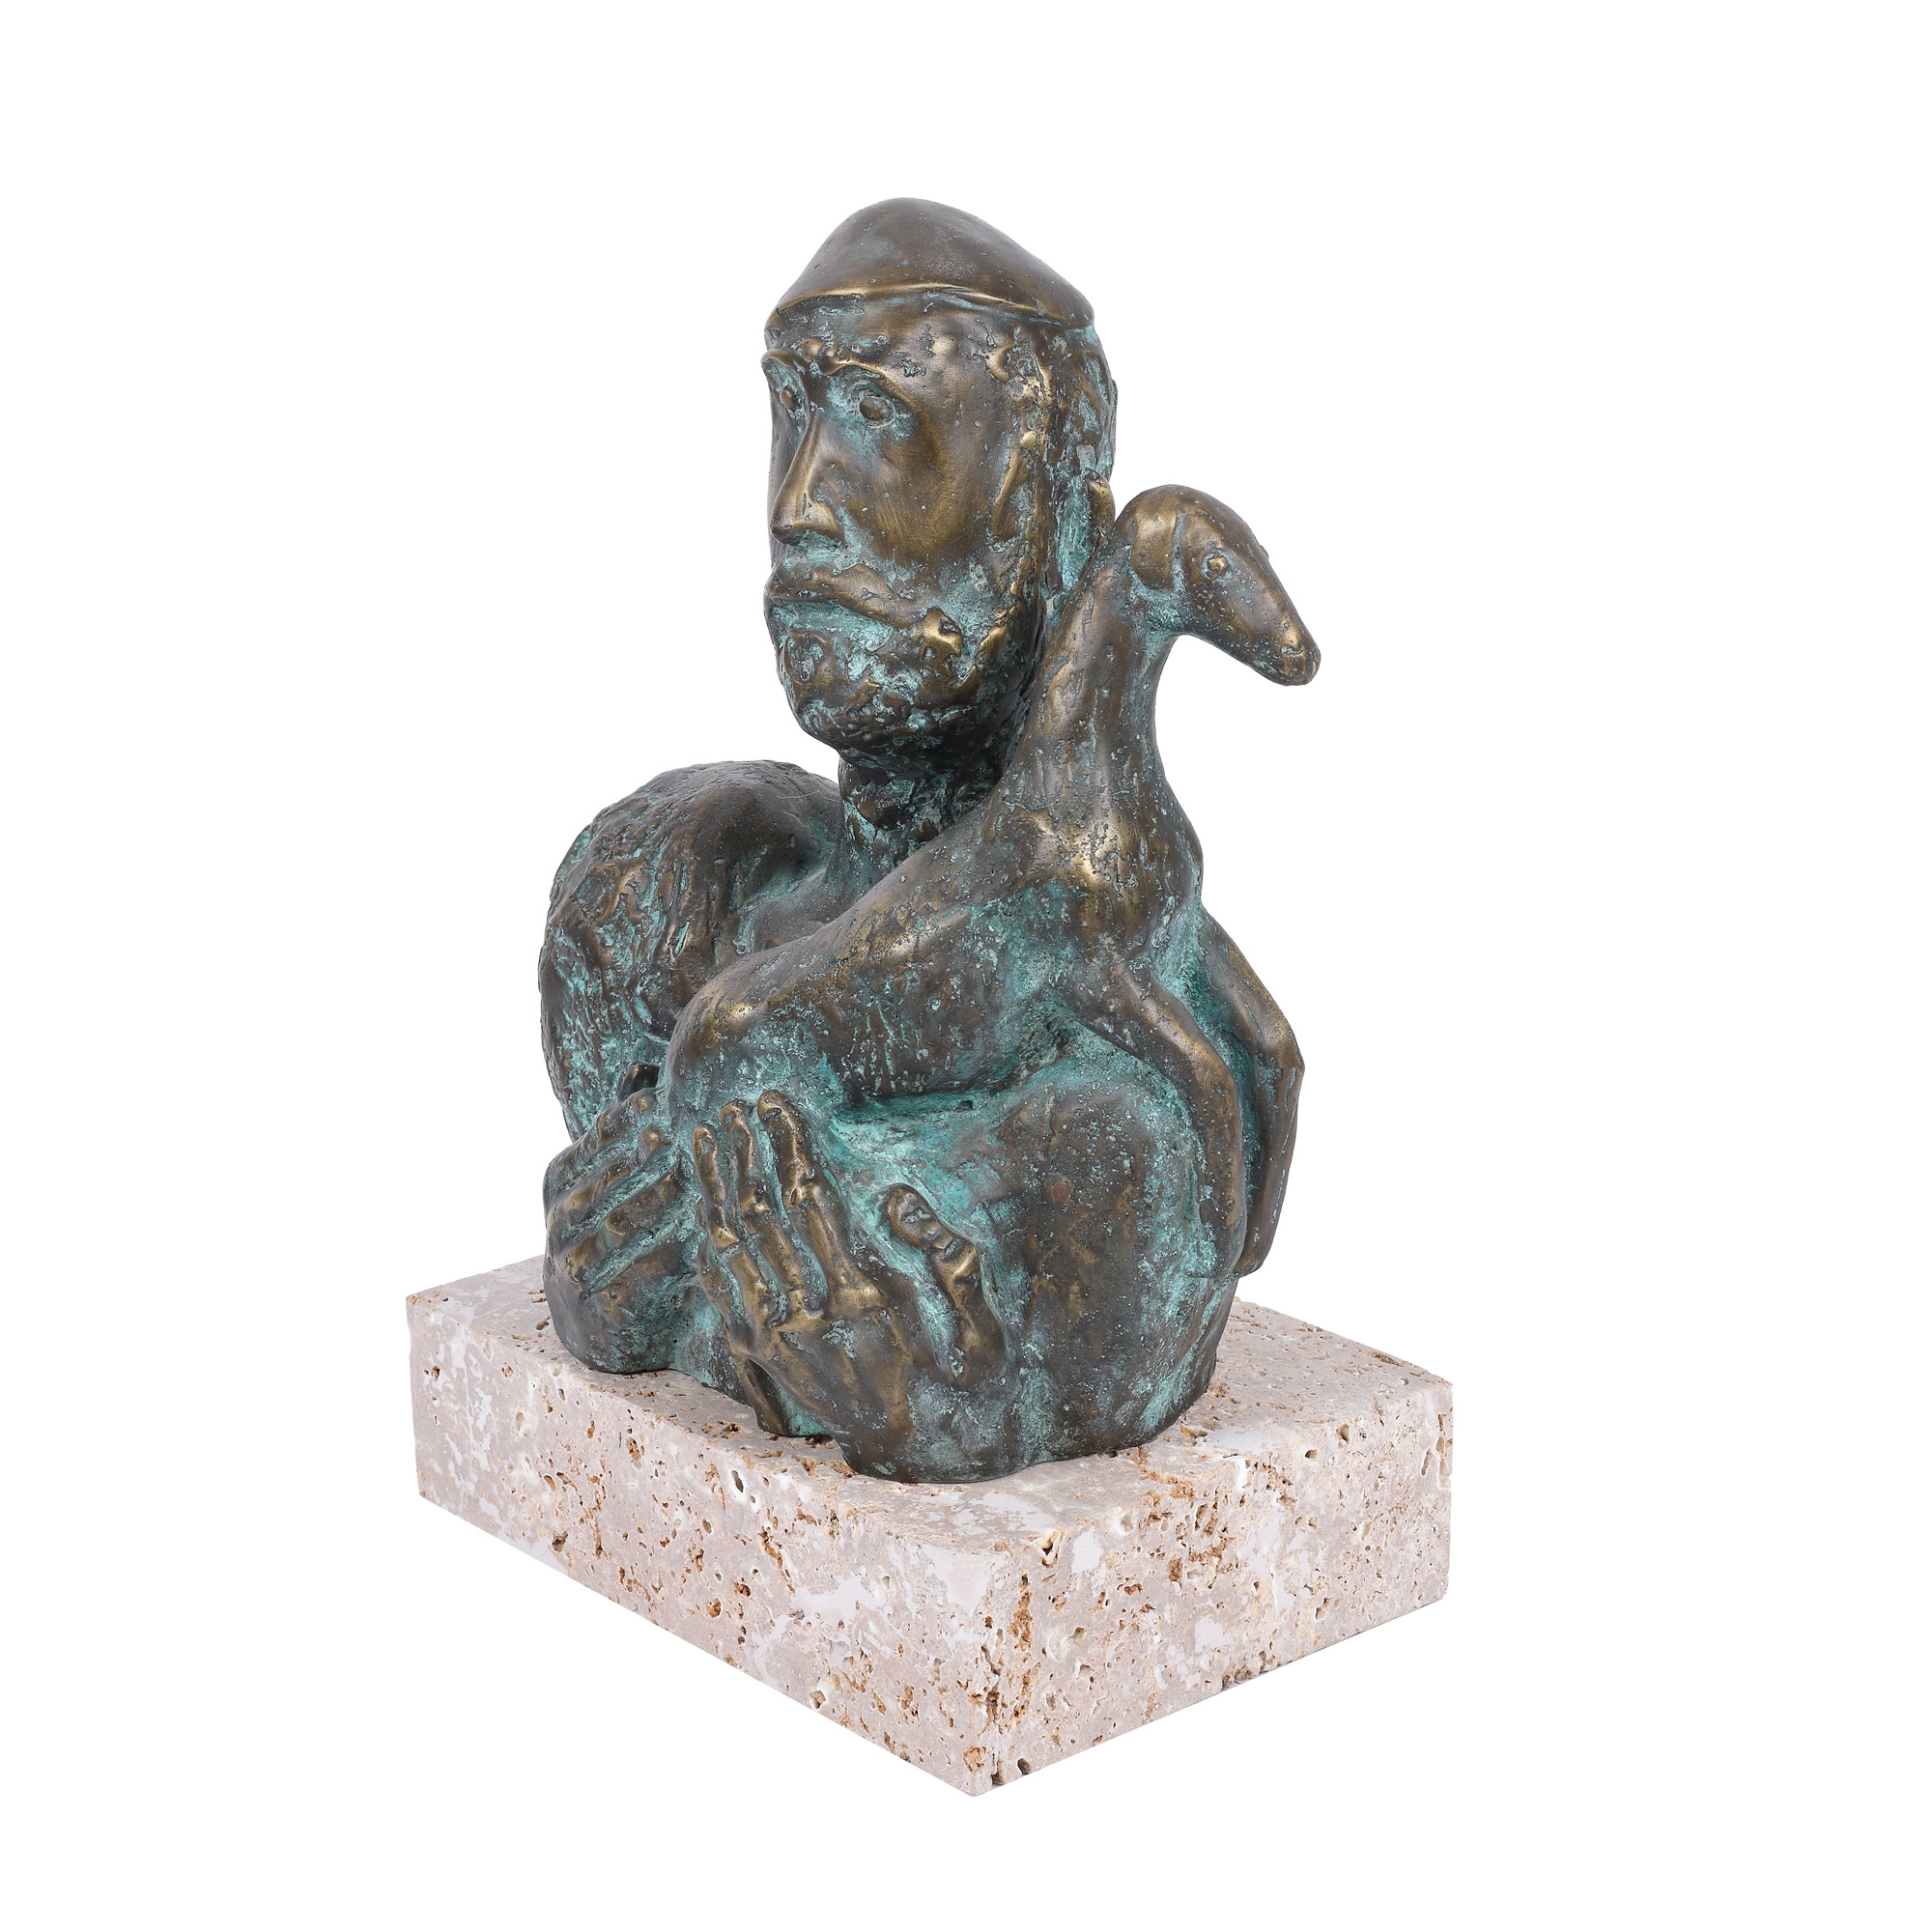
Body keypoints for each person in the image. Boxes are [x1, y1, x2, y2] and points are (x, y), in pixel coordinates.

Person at [538, 200, 1301, 1480]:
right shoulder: (669, 896)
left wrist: (946, 1403)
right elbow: (620, 1233)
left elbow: (1110, 1348)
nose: (799, 503)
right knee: (651, 867)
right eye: (791, 413)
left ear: (1064, 483)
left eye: (879, 415)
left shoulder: (1118, 1103)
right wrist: (615, 1277)